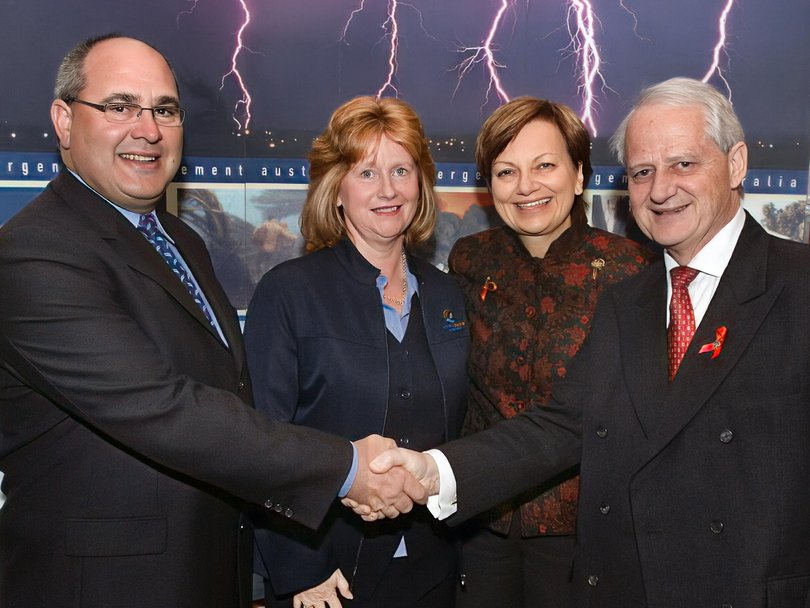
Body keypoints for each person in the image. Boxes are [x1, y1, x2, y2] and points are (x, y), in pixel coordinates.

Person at [0, 34, 423, 608]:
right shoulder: (34, 254)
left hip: (207, 566)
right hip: (105, 584)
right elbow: (161, 406)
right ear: (64, 120)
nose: (147, 129)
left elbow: (232, 392)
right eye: (120, 106)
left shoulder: (180, 240)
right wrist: (348, 467)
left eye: (165, 110)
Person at [368, 77, 810, 607]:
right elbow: (562, 423)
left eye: (683, 164)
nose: (662, 188)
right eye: (642, 172)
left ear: (736, 164)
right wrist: (434, 470)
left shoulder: (799, 285)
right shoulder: (632, 301)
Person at [244, 96, 469, 608]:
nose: (388, 190)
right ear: (336, 190)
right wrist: (301, 567)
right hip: (327, 578)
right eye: (367, 173)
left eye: (401, 170)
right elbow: (260, 440)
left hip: (434, 571)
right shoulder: (288, 292)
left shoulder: (446, 295)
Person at [448, 97, 654, 607]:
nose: (526, 186)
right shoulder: (469, 260)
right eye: (506, 171)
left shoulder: (634, 271)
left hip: (589, 534)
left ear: (579, 174)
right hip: (481, 525)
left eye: (545, 165)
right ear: (488, 186)